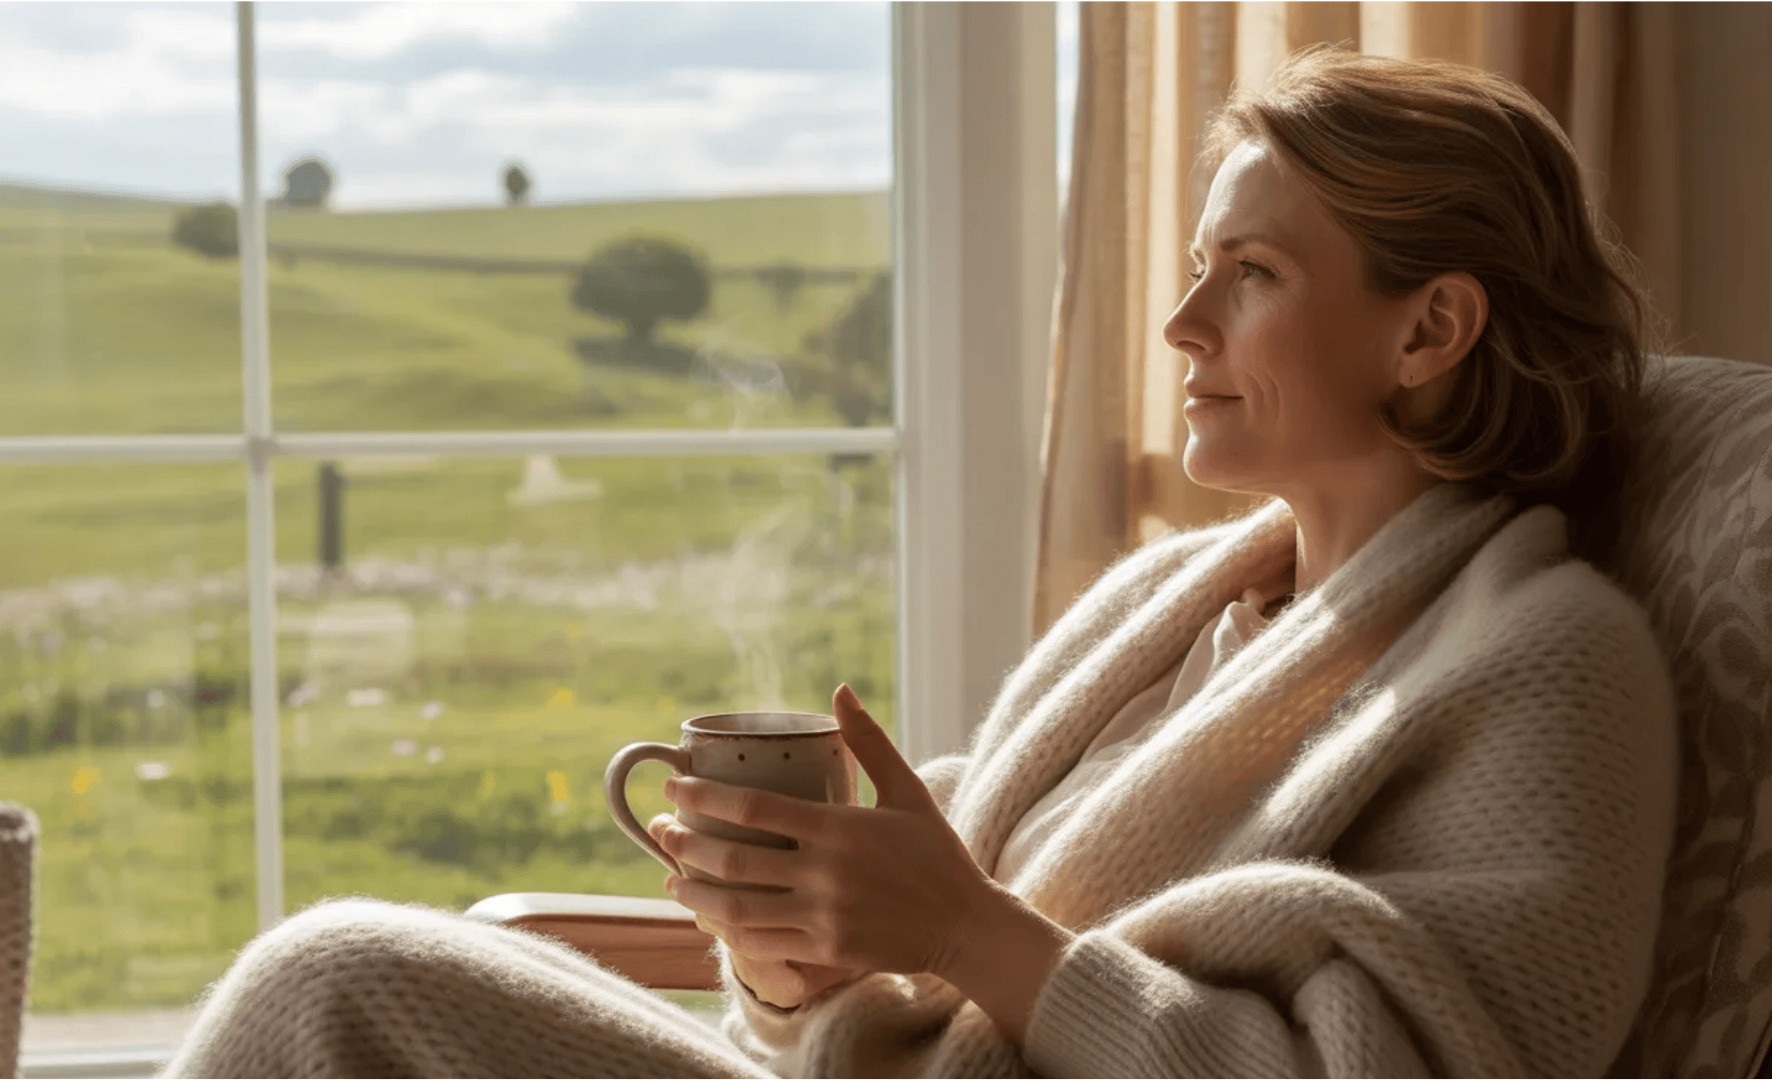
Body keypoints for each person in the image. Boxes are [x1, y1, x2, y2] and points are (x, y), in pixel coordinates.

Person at [166, 46, 1677, 1079]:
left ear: (1430, 329)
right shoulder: (1183, 606)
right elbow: (907, 973)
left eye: (1257, 274)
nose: (1183, 324)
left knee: (337, 981)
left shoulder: (1543, 663)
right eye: (1202, 265)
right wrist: (785, 948)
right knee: (361, 977)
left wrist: (964, 931)